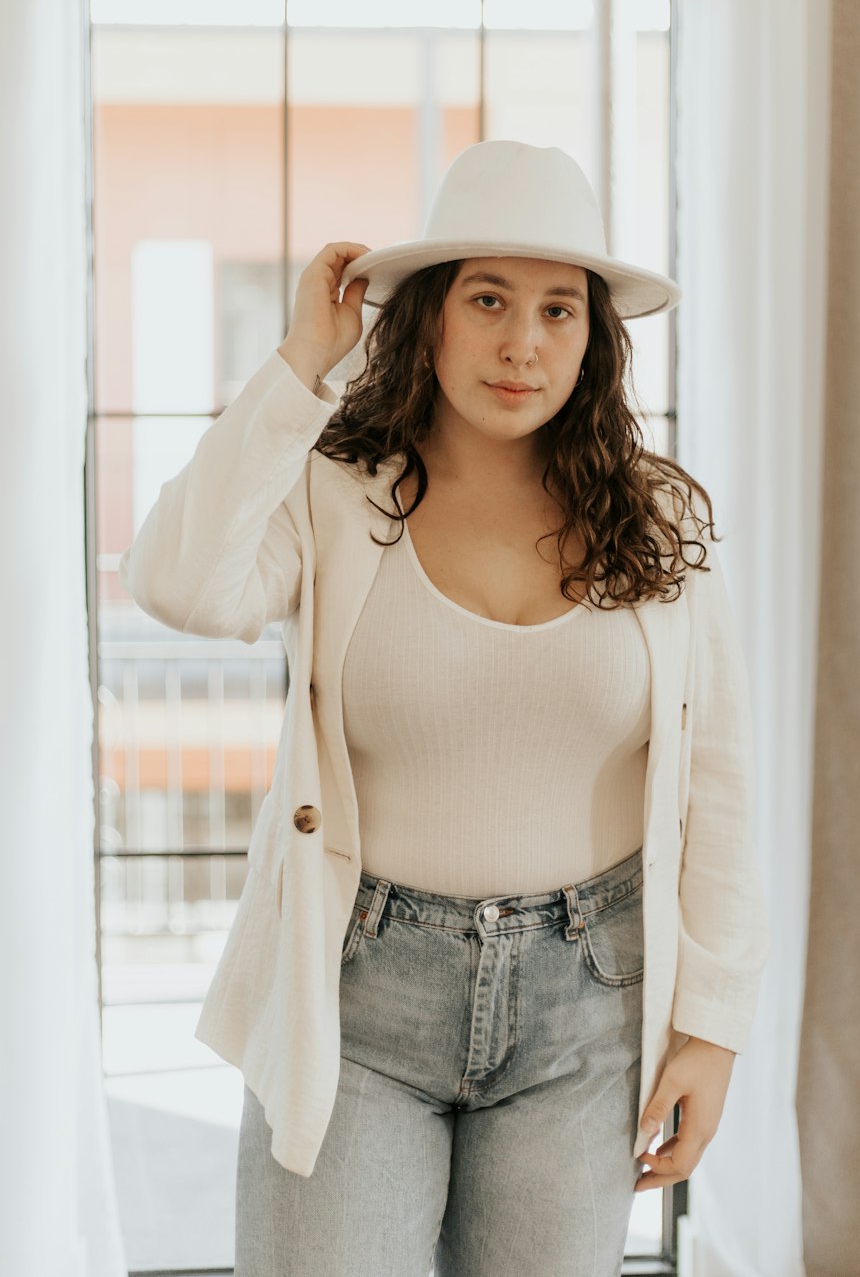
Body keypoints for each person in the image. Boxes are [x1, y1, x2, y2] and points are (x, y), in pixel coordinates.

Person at [119, 140, 769, 1277]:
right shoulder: (329, 487)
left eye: (559, 310)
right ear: (425, 318)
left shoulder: (658, 520)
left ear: (592, 338)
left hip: (589, 1004)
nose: (523, 343)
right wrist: (298, 366)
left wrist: (710, 1027)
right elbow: (176, 581)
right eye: (487, 300)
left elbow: (718, 785)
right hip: (358, 994)